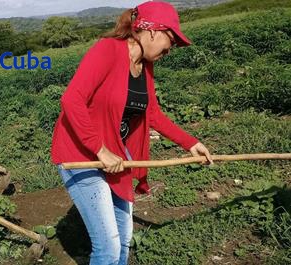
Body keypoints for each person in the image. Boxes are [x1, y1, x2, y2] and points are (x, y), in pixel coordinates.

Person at [50, 1, 214, 264]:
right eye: (170, 40)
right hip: (82, 153)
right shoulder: (108, 50)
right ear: (152, 31)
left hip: (115, 151)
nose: (170, 49)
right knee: (108, 246)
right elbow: (72, 99)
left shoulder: (145, 67)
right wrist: (99, 149)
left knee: (124, 239)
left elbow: (153, 114)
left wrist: (190, 142)